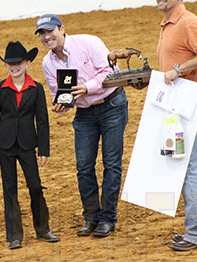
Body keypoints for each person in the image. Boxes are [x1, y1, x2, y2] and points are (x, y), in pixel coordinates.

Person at [35, 14, 128, 238]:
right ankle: (91, 217)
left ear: (62, 29)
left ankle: (107, 218)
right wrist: (62, 105)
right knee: (84, 167)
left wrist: (87, 87)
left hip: (112, 105)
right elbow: (59, 94)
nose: (47, 37)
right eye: (42, 34)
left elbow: (110, 72)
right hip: (84, 113)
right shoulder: (48, 63)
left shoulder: (88, 43)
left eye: (50, 31)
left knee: (111, 163)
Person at [148, 0, 197, 251]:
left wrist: (179, 69)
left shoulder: (188, 21)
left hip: (189, 103)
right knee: (186, 169)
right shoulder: (167, 24)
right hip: (177, 104)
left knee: (186, 169)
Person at [0, 41, 59, 249]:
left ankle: (43, 229)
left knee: (35, 186)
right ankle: (14, 235)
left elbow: (42, 120)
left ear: (27, 63)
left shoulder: (37, 89)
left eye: (18, 62)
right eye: (9, 63)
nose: (13, 66)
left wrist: (43, 150)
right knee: (10, 189)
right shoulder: (0, 87)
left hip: (27, 145)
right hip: (5, 144)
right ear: (6, 65)